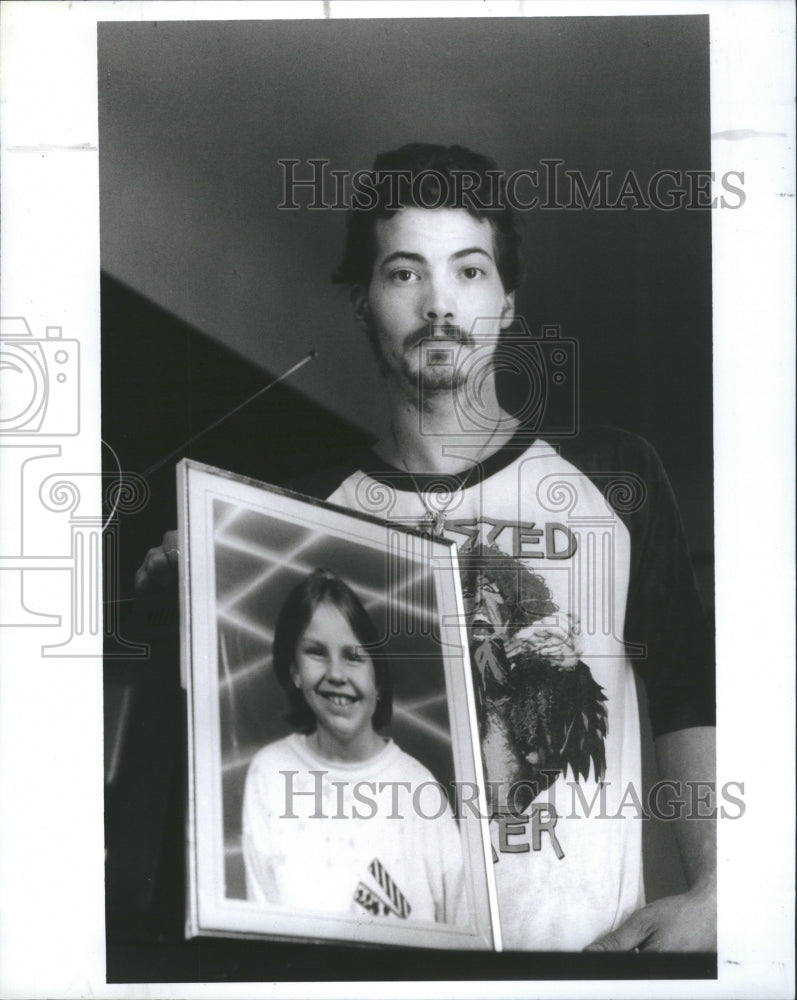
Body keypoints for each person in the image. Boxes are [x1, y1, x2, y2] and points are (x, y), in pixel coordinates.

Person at [136, 143, 716, 952]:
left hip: (584, 962)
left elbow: (692, 687)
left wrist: (718, 889)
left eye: (469, 271)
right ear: (363, 303)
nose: (439, 304)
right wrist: (202, 605)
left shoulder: (611, 474)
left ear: (508, 302)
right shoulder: (302, 517)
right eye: (404, 272)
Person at [242, 567, 467, 925]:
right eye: (316, 652)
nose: (336, 674)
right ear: (295, 672)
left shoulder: (420, 789)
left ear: (378, 682)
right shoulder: (269, 773)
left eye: (353, 656)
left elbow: (462, 929)